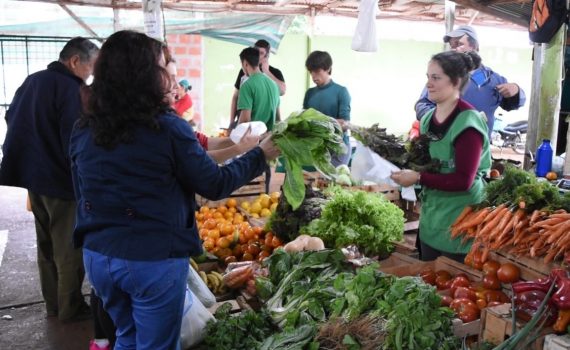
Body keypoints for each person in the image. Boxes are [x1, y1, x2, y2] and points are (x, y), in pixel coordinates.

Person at [70, 30, 279, 350]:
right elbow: (215, 183)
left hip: (98, 256)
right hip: (149, 258)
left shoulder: (85, 126)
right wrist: (260, 155)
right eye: (163, 66)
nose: (169, 73)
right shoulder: (166, 126)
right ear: (145, 74)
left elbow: (80, 189)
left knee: (126, 335)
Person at [0, 37, 98, 322]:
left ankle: (53, 304)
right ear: (75, 61)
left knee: (45, 244)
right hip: (61, 181)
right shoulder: (71, 89)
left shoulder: (33, 81)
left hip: (32, 177)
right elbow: (75, 136)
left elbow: (10, 116)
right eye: (90, 66)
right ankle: (70, 308)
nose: (91, 74)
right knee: (68, 245)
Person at [391, 50, 491, 262]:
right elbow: (424, 162)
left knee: (456, 286)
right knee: (428, 280)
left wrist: (418, 178)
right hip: (433, 215)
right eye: (428, 77)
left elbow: (464, 180)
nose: (429, 84)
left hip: (462, 218)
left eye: (436, 78)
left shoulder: (468, 123)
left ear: (455, 82)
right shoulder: (427, 119)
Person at [414, 25, 526, 137]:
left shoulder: (492, 79)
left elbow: (513, 104)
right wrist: (441, 118)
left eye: (459, 44)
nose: (454, 49)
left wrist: (516, 90)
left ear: (475, 47)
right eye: (452, 46)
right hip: (444, 145)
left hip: (480, 149)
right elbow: (422, 104)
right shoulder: (442, 75)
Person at [303, 50, 351, 166]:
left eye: (317, 71)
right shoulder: (309, 93)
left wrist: (316, 123)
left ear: (328, 69)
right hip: (316, 148)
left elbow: (344, 124)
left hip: (338, 150)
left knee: (334, 183)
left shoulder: (341, 92)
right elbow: (303, 121)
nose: (313, 76)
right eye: (311, 72)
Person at [229, 39, 285, 129]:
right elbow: (278, 119)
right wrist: (231, 122)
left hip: (251, 138)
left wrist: (233, 132)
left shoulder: (247, 85)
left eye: (262, 53)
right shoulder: (274, 85)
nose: (258, 56)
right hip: (267, 137)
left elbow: (245, 122)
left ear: (245, 63)